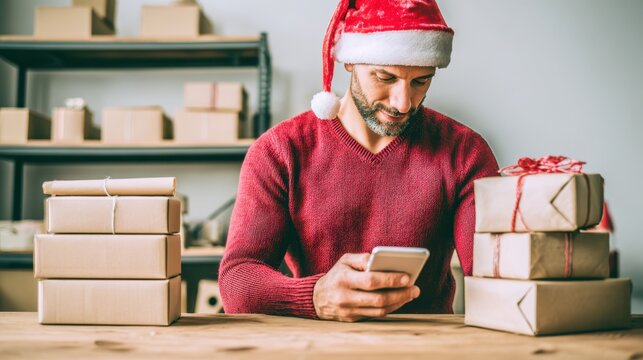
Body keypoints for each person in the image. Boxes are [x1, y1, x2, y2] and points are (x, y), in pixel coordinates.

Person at [219, 0, 498, 322]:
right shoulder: (280, 151)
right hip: (318, 345)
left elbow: (492, 275)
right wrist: (315, 295)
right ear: (349, 62)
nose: (403, 103)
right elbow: (237, 283)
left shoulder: (465, 152)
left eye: (421, 81)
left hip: (429, 347)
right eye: (385, 77)